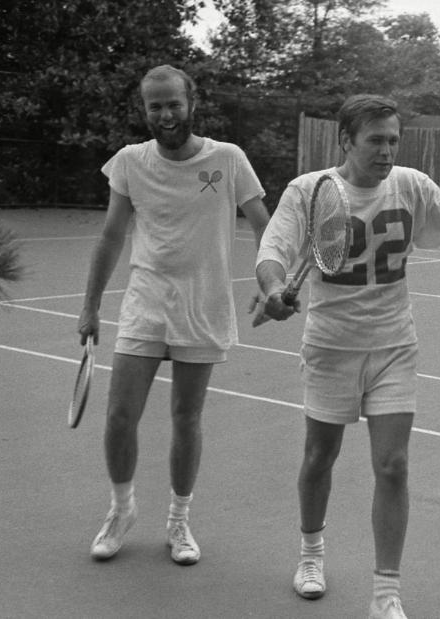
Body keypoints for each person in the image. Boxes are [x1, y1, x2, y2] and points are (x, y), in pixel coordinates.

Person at [255, 94, 440, 619]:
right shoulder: (309, 191)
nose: (387, 150)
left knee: (393, 465)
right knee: (320, 457)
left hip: (392, 346)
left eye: (393, 139)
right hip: (330, 346)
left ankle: (386, 592)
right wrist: (275, 289)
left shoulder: (410, 186)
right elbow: (273, 251)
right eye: (375, 140)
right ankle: (311, 554)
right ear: (346, 140)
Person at [77, 64, 269, 566]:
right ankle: (121, 511)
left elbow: (263, 227)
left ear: (192, 102)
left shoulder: (227, 159)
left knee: (187, 418)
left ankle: (179, 521)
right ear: (145, 110)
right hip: (145, 305)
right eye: (154, 106)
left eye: (173, 104)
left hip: (203, 308)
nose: (165, 114)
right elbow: (111, 237)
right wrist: (90, 306)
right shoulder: (128, 162)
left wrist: (273, 285)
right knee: (120, 416)